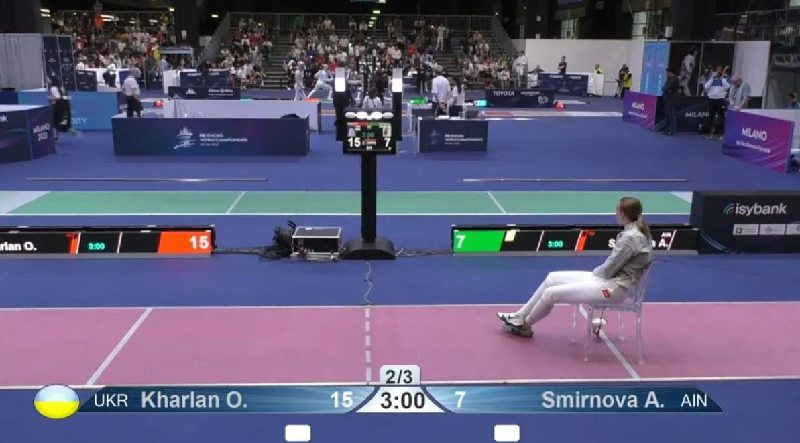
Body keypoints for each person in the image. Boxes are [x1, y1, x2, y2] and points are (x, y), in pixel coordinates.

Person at [497, 197, 653, 337]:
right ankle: (519, 316)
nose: (615, 213)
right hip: (608, 281)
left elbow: (609, 270)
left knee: (550, 294)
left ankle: (524, 326)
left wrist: (594, 276)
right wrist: (595, 276)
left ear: (624, 214)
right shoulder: (634, 232)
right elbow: (610, 269)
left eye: (617, 210)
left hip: (613, 289)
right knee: (552, 278)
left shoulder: (630, 237)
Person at [704, 66, 730, 140]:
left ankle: (721, 134)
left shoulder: (726, 77)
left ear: (722, 71)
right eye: (717, 70)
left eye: (720, 70)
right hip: (711, 99)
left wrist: (722, 78)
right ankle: (709, 133)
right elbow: (706, 86)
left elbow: (727, 87)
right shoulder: (711, 77)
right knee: (710, 117)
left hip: (720, 99)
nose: (718, 72)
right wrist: (712, 78)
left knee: (721, 117)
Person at [661, 68, 680, 136]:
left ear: (671, 73)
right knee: (667, 115)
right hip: (668, 99)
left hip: (672, 100)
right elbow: (664, 88)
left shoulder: (675, 79)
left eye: (667, 72)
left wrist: (667, 89)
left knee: (671, 116)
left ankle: (672, 130)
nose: (667, 74)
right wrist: (666, 89)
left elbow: (665, 88)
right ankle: (668, 129)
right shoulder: (669, 79)